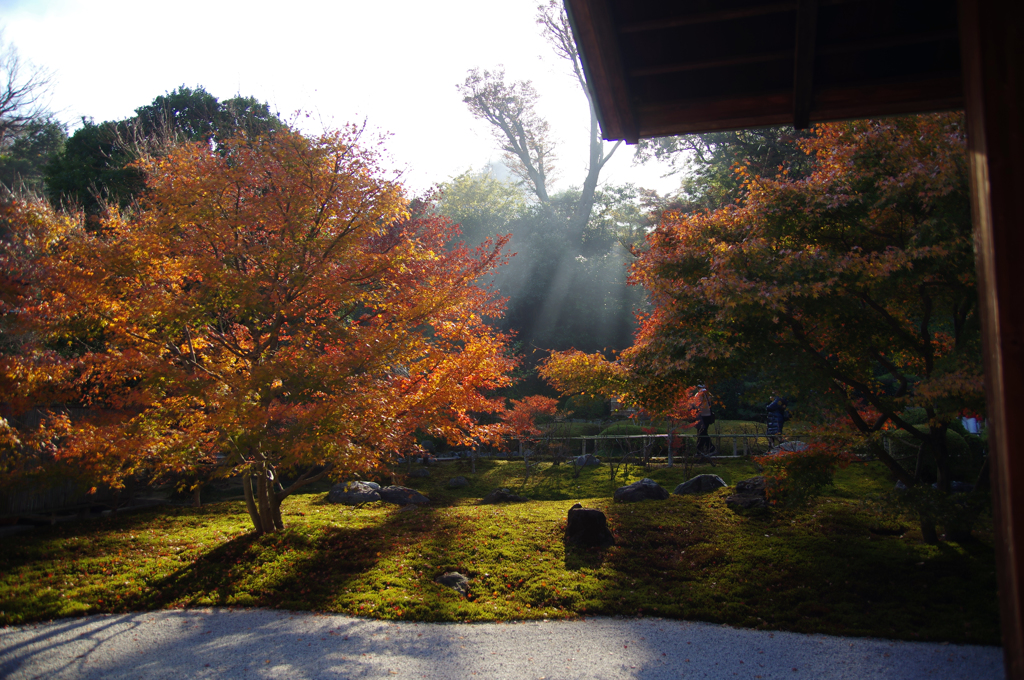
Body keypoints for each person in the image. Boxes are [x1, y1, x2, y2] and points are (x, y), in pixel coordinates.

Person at [695, 383, 717, 461]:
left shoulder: (698, 394)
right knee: (703, 432)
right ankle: (700, 449)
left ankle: (709, 447)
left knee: (702, 432)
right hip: (708, 415)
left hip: (701, 415)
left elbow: (697, 405)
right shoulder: (708, 394)